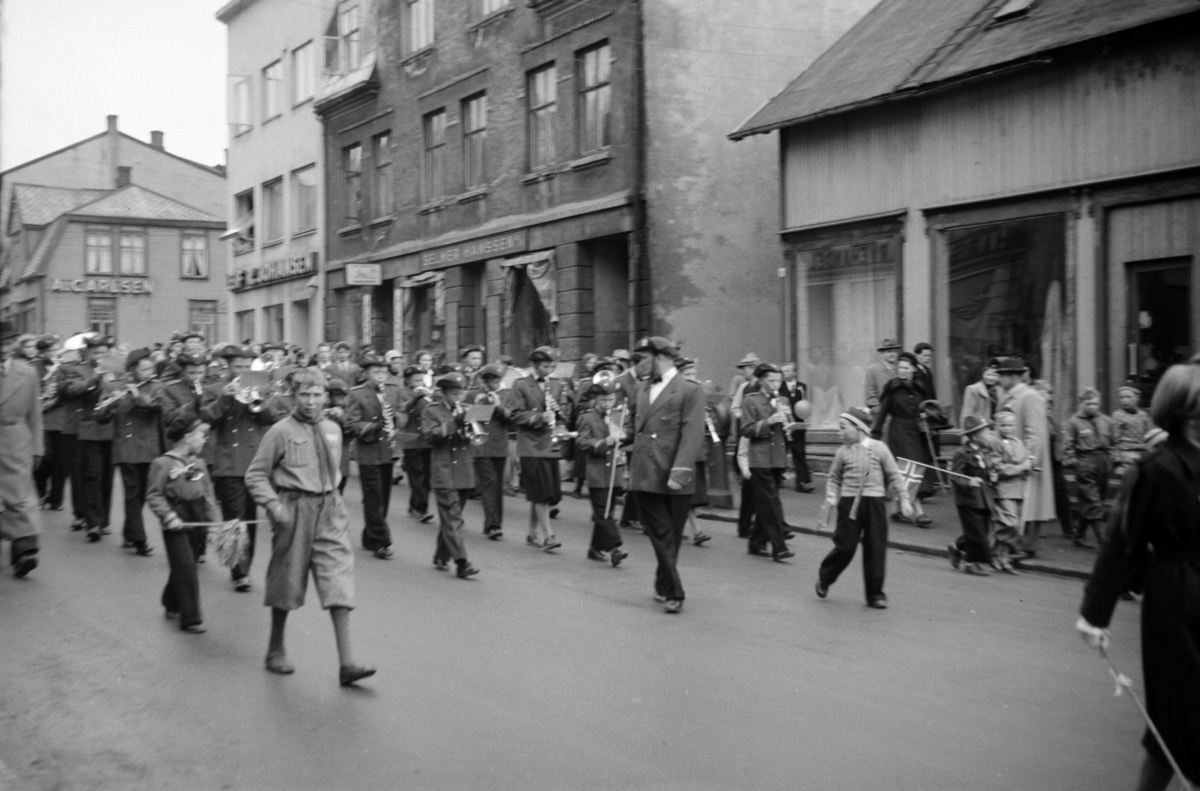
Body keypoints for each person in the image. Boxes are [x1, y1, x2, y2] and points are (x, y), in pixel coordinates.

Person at [1076, 363, 1200, 791]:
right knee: (1180, 716)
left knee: (1176, 725)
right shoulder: (1158, 468)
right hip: (1177, 600)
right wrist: (1095, 614)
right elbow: (1123, 541)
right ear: (1187, 410)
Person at [245, 369, 374, 686]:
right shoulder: (280, 431)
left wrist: (335, 504)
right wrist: (275, 506)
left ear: (325, 397)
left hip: (329, 509)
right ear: (294, 395)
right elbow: (256, 476)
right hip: (294, 510)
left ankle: (347, 664)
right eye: (305, 394)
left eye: (317, 395)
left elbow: (335, 471)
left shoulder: (332, 429)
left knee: (338, 578)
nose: (312, 401)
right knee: (286, 580)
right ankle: (275, 649)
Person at [626, 337, 706, 614]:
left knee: (671, 534)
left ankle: (662, 583)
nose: (639, 365)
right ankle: (675, 591)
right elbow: (639, 429)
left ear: (661, 357)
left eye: (644, 359)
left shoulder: (690, 390)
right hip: (646, 473)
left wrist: (681, 471)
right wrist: (619, 435)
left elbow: (692, 433)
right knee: (661, 533)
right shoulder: (641, 388)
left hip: (673, 472)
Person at [816, 407, 913, 608]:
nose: (839, 433)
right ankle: (825, 578)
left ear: (859, 428)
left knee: (876, 548)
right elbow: (834, 477)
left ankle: (875, 594)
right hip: (849, 503)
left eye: (843, 428)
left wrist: (904, 499)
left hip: (875, 503)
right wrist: (832, 496)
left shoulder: (879, 448)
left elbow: (894, 475)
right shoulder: (842, 452)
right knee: (845, 546)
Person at [202, 344, 279, 592]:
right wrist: (227, 397)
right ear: (228, 367)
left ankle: (245, 565)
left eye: (247, 367)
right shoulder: (214, 389)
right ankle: (239, 572)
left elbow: (271, 418)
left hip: (253, 462)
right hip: (227, 461)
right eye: (238, 367)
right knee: (234, 518)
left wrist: (260, 401)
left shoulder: (261, 385)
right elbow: (206, 420)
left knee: (249, 516)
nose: (243, 371)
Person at [146, 417, 219, 634]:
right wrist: (168, 517)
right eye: (200, 435)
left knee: (186, 563)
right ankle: (191, 618)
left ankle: (170, 601)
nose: (204, 440)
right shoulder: (163, 464)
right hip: (176, 517)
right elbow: (154, 495)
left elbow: (208, 496)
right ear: (187, 438)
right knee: (186, 566)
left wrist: (214, 524)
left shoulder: (200, 464)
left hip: (197, 516)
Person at [95, 348, 163, 557]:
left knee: (141, 495)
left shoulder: (157, 387)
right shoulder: (114, 386)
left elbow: (158, 409)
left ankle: (129, 531)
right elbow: (100, 417)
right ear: (132, 370)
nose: (149, 372)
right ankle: (140, 540)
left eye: (151, 368)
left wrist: (138, 398)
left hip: (149, 448)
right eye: (144, 369)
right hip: (126, 448)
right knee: (132, 493)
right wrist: (110, 405)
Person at [418, 372, 482, 578]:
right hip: (444, 469)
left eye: (460, 393)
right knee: (453, 517)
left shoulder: (466, 409)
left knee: (452, 517)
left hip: (464, 469)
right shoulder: (431, 411)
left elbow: (474, 437)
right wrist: (456, 422)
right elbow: (430, 436)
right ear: (444, 393)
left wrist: (471, 427)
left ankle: (440, 555)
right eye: (454, 393)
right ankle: (462, 562)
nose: (458, 397)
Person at [345, 353, 405, 560]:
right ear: (367, 373)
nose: (380, 375)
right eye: (375, 371)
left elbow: (403, 413)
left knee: (384, 499)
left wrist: (395, 417)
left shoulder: (394, 390)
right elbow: (350, 424)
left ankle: (369, 536)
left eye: (383, 371)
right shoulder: (357, 393)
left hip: (387, 449)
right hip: (368, 449)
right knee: (373, 496)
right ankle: (381, 542)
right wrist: (373, 426)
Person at [996, 356, 1056, 558]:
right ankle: (1015, 543)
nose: (998, 379)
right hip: (1011, 457)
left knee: (1030, 503)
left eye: (1002, 375)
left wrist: (1028, 460)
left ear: (1013, 376)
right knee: (1015, 502)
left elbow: (1036, 433)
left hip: (1024, 461)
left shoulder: (1029, 396)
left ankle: (1026, 545)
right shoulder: (1008, 396)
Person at [511, 346, 568, 552]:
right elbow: (514, 414)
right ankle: (549, 535)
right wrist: (537, 417)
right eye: (545, 366)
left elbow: (565, 413)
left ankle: (532, 532)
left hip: (550, 444)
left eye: (552, 366)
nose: (549, 370)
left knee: (544, 493)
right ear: (535, 365)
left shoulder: (556, 384)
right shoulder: (521, 384)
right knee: (541, 493)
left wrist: (559, 415)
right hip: (531, 446)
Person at [61, 335, 117, 543]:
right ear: (87, 353)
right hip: (89, 429)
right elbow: (72, 391)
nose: (99, 357)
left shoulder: (115, 368)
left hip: (111, 429)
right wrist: (94, 379)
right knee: (93, 475)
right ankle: (93, 523)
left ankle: (103, 521)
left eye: (103, 353)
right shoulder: (79, 370)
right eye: (95, 353)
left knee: (107, 478)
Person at [739, 363, 796, 562]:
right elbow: (746, 430)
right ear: (761, 381)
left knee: (767, 502)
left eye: (778, 381)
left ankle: (756, 543)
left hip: (777, 457)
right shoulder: (751, 401)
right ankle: (779, 547)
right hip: (760, 458)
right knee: (771, 501)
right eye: (771, 380)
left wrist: (789, 425)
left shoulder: (783, 400)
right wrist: (768, 422)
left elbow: (786, 430)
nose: (775, 384)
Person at [0, 321, 43, 578]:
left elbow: (35, 414)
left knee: (19, 495)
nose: (3, 349)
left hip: (16, 440)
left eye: (7, 344)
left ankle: (24, 551)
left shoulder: (27, 373)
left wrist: (38, 448)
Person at [871, 351, 934, 526]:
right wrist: (875, 436)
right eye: (900, 367)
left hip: (917, 433)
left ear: (914, 369)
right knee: (910, 471)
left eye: (906, 368)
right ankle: (918, 513)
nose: (902, 371)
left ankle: (895, 509)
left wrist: (926, 416)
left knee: (908, 472)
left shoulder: (921, 387)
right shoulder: (892, 387)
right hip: (898, 433)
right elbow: (882, 412)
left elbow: (927, 407)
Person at [575, 383, 629, 566]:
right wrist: (603, 442)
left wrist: (623, 435)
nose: (608, 403)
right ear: (596, 400)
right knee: (603, 512)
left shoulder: (618, 415)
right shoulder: (587, 417)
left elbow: (628, 436)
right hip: (597, 470)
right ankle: (615, 549)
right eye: (604, 400)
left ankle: (595, 549)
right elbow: (582, 442)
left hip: (614, 470)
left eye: (611, 399)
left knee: (608, 511)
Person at [1063, 387, 1115, 549]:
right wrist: (1073, 462)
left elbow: (1114, 442)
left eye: (1096, 403)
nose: (1093, 406)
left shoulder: (1107, 421)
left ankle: (1079, 535)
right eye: (1089, 403)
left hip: (1104, 461)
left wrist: (1112, 457)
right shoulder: (1073, 422)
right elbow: (1067, 445)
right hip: (1085, 460)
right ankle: (1104, 542)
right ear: (1081, 403)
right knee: (1093, 502)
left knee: (1095, 500)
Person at [465, 364, 512, 541]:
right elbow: (465, 420)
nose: (494, 384)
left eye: (497, 380)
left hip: (499, 446)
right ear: (484, 381)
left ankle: (492, 524)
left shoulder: (507, 394)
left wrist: (498, 406)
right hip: (479, 446)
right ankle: (493, 525)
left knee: (497, 486)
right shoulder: (472, 394)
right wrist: (476, 406)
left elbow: (512, 421)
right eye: (490, 381)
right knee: (488, 483)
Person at [946, 414, 996, 576]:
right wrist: (968, 482)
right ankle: (972, 563)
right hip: (968, 500)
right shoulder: (962, 453)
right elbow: (954, 476)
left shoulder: (983, 451)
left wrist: (991, 476)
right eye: (986, 432)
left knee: (979, 531)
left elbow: (985, 470)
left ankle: (957, 546)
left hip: (984, 499)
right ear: (975, 436)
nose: (989, 434)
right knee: (978, 534)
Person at [991, 409, 1030, 572]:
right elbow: (999, 468)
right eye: (1004, 425)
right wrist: (1020, 466)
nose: (1008, 428)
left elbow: (1025, 458)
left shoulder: (1018, 442)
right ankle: (995, 552)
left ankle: (1003, 555)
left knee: (1014, 525)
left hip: (1019, 488)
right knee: (1010, 522)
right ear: (998, 426)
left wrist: (1027, 465)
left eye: (1011, 425)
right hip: (1004, 489)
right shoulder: (994, 442)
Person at [397, 365, 434, 522]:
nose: (420, 382)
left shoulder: (428, 392)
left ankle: (414, 506)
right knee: (416, 475)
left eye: (421, 379)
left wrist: (429, 397)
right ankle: (421, 509)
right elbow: (402, 410)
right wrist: (416, 397)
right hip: (411, 439)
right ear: (408, 380)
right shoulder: (403, 393)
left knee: (425, 476)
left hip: (426, 439)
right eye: (416, 380)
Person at [779, 362, 813, 493]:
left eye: (787, 371)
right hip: (783, 424)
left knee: (799, 452)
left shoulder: (802, 387)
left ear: (794, 373)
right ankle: (777, 476)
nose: (785, 374)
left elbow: (804, 404)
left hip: (798, 424)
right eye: (783, 372)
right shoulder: (779, 387)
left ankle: (802, 481)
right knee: (781, 451)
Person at [1110, 384, 1151, 485]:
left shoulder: (1143, 415)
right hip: (1125, 455)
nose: (1125, 400)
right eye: (1122, 397)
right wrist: (1117, 460)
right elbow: (1114, 440)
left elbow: (1148, 434)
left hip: (1142, 454)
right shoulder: (1117, 415)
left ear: (1137, 398)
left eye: (1128, 397)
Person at [864, 339, 901, 414]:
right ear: (882, 353)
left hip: (900, 414)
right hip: (882, 414)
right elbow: (870, 394)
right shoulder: (873, 370)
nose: (892, 354)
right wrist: (878, 409)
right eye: (889, 352)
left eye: (894, 351)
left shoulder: (901, 368)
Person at [961, 359, 1000, 425]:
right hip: (979, 430)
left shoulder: (1001, 391)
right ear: (983, 374)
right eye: (988, 374)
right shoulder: (972, 389)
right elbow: (966, 415)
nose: (991, 378)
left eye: (994, 375)